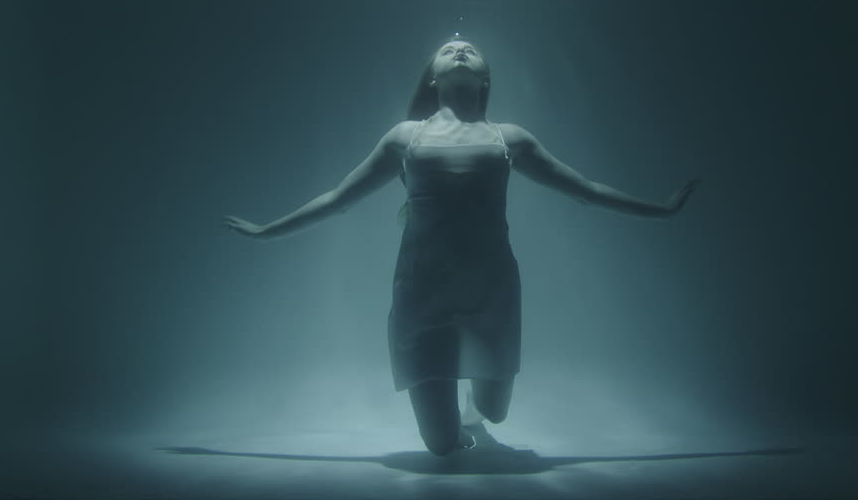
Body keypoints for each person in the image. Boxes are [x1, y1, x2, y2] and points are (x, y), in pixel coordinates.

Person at [225, 35, 698, 456]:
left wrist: (661, 209)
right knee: (443, 448)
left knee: (493, 412)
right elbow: (338, 199)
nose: (459, 49)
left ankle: (478, 405)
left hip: (491, 290)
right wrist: (269, 230)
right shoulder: (404, 138)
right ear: (433, 77)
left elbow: (585, 189)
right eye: (449, 49)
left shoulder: (509, 137)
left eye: (470, 49)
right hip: (422, 292)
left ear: (485, 76)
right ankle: (455, 423)